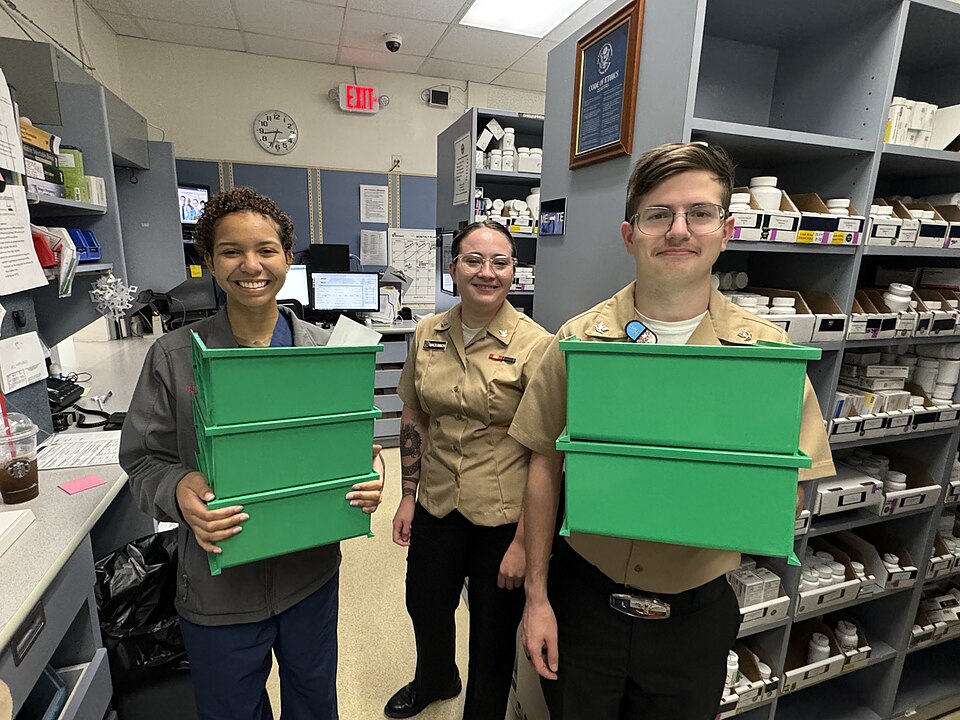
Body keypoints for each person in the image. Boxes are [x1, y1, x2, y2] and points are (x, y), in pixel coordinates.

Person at [509, 143, 835, 720]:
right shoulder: (581, 342)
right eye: (659, 214)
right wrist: (537, 598)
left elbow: (793, 488)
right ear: (630, 234)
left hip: (693, 615)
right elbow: (542, 466)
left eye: (700, 213)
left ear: (726, 230)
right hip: (584, 598)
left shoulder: (766, 356)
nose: (678, 230)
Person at [119, 186, 384, 720]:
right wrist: (178, 488)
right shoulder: (174, 357)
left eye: (266, 249)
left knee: (315, 702)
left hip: (309, 575)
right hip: (219, 587)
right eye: (231, 251)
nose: (251, 265)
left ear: (288, 256)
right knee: (232, 710)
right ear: (209, 262)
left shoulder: (325, 353)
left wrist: (367, 472)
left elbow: (354, 443)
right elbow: (142, 461)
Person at [385, 220, 551, 719]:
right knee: (426, 604)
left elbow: (546, 451)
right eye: (474, 260)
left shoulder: (536, 344)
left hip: (501, 516)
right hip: (437, 500)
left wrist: (524, 542)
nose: (487, 272)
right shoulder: (427, 332)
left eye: (500, 262)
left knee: (493, 631)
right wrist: (408, 495)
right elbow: (415, 415)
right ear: (452, 269)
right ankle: (435, 677)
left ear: (514, 272)